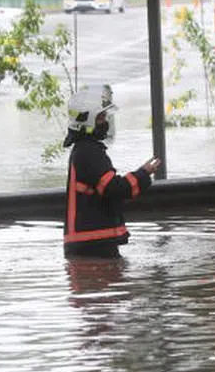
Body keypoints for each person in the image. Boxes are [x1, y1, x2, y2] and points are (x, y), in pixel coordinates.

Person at [63, 84, 160, 258]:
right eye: (101, 118)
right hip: (93, 247)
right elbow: (113, 189)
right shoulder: (89, 152)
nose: (105, 122)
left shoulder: (85, 150)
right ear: (88, 121)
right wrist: (143, 174)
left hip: (90, 245)